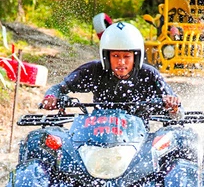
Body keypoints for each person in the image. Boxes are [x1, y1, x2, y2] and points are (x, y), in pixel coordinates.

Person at [41, 21, 182, 119]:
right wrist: (51, 97)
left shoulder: (149, 74)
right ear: (106, 56)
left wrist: (173, 105)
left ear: (136, 57)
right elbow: (59, 88)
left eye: (127, 56)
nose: (121, 62)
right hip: (98, 135)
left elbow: (178, 112)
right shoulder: (94, 70)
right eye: (115, 56)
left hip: (139, 139)